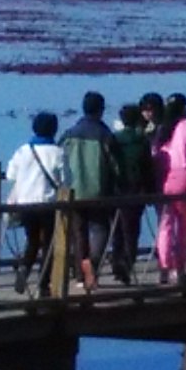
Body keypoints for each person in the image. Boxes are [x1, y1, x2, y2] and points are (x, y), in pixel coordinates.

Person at [60, 94, 119, 291]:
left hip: (73, 192)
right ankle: (92, 264)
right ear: (101, 110)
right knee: (101, 228)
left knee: (78, 232)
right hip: (99, 190)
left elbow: (61, 163)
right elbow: (115, 166)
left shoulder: (68, 135)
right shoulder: (105, 134)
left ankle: (79, 275)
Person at [5, 113, 67, 294]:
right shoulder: (58, 152)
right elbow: (67, 181)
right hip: (48, 204)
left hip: (25, 204)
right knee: (49, 243)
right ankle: (43, 283)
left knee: (32, 240)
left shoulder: (23, 151)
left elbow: (10, 176)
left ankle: (24, 268)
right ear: (54, 130)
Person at [153, 94, 186, 283]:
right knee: (183, 225)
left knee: (165, 225)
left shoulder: (163, 129)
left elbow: (155, 153)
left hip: (164, 176)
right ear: (185, 108)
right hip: (184, 177)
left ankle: (164, 266)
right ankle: (180, 268)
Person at [110, 98, 159, 283]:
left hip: (117, 190)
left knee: (117, 230)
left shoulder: (114, 139)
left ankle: (116, 262)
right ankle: (127, 264)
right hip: (136, 190)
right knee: (132, 230)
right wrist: (151, 191)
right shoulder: (142, 141)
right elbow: (147, 167)